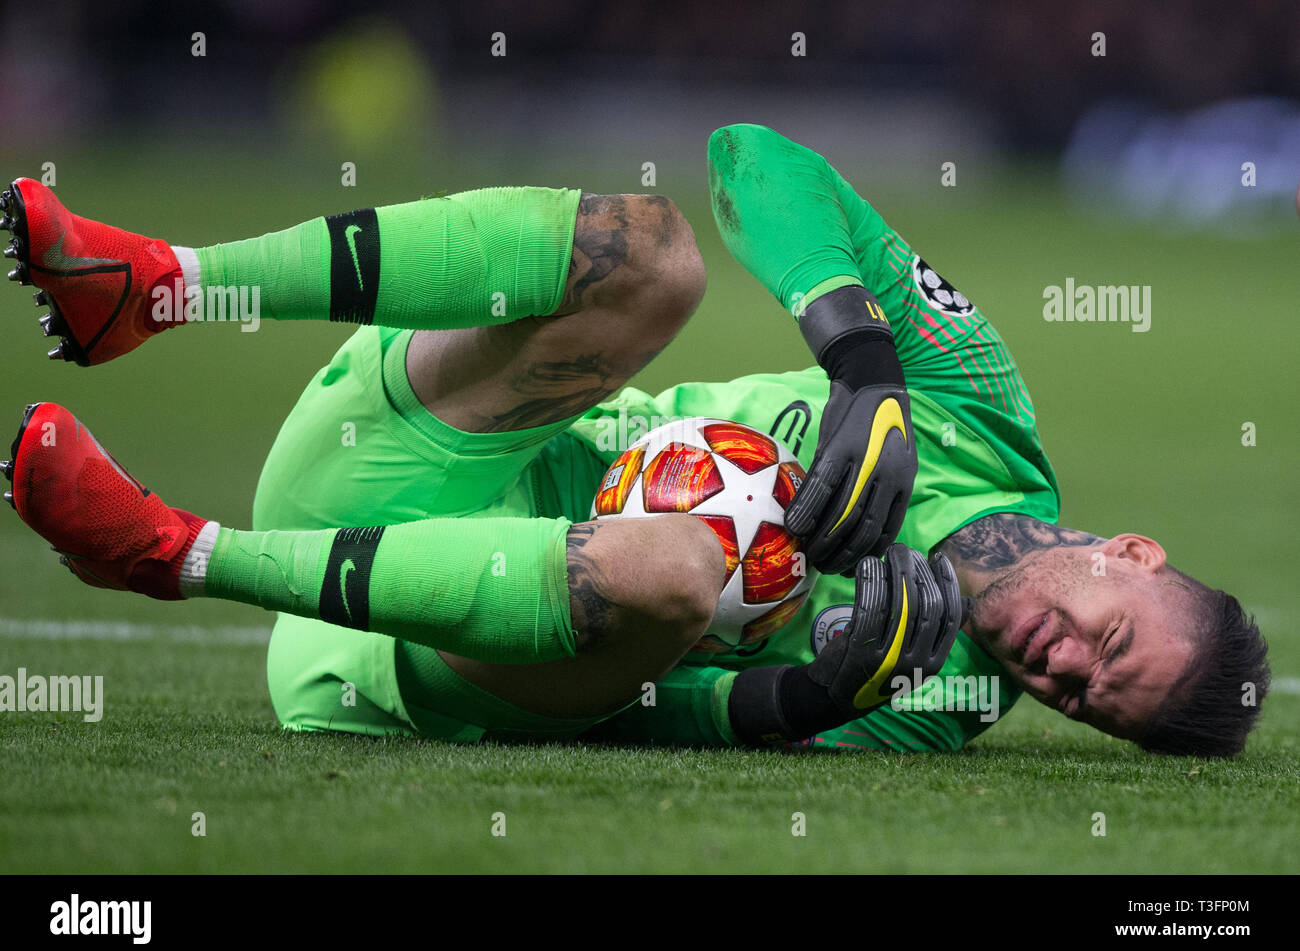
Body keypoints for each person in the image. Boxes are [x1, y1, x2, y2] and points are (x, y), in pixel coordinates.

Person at [0, 124, 1268, 757]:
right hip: (397, 464)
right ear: (1133, 553)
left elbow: (638, 714)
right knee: (653, 254)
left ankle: (171, 554)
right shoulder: (978, 406)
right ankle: (161, 285)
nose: (1067, 675)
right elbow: (750, 159)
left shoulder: (932, 698)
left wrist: (797, 699)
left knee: (676, 572)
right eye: (1109, 644)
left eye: (1092, 704)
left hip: (393, 653)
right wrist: (862, 361)